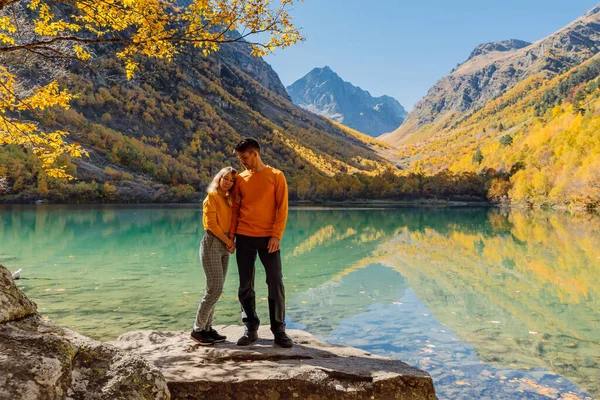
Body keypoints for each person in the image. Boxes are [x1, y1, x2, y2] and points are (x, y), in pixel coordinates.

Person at [229, 138, 293, 348]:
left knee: (275, 282)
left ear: (255, 153)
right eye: (240, 159)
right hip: (244, 236)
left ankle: (279, 330)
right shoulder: (240, 179)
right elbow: (236, 210)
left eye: (245, 158)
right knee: (245, 284)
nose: (243, 162)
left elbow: (282, 208)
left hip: (269, 239)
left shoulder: (276, 176)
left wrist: (276, 235)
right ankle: (251, 328)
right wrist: (231, 236)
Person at [191, 167, 237, 345]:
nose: (228, 182)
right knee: (214, 289)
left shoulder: (228, 200)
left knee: (216, 289)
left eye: (232, 181)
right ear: (219, 178)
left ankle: (207, 328)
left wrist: (230, 241)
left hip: (224, 244)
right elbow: (211, 225)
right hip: (212, 243)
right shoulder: (211, 197)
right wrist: (229, 241)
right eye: (225, 178)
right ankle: (197, 329)